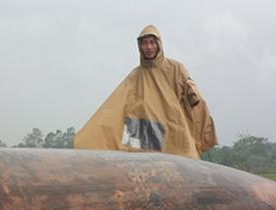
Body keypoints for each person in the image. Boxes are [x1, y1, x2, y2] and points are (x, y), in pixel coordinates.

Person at [74, 25, 217, 159]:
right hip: (144, 138)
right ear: (139, 46)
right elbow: (114, 108)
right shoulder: (135, 76)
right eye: (144, 43)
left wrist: (204, 136)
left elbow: (197, 102)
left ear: (159, 44)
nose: (149, 47)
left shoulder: (176, 69)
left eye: (152, 42)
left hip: (174, 135)